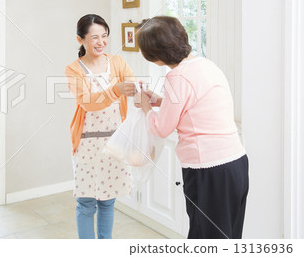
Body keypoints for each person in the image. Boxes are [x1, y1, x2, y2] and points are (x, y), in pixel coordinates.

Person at [134, 16, 249, 239]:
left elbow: (160, 128)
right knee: (230, 236)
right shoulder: (205, 64)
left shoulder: (177, 77)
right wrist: (159, 100)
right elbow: (195, 105)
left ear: (154, 55)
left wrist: (147, 107)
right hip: (236, 163)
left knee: (205, 237)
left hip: (209, 168)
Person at [65, 14, 137, 239]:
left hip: (115, 141)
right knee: (86, 203)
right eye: (94, 37)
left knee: (108, 201)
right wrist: (116, 90)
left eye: (104, 36)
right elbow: (87, 101)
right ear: (81, 40)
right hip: (87, 143)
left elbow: (133, 88)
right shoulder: (74, 69)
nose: (101, 42)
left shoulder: (117, 62)